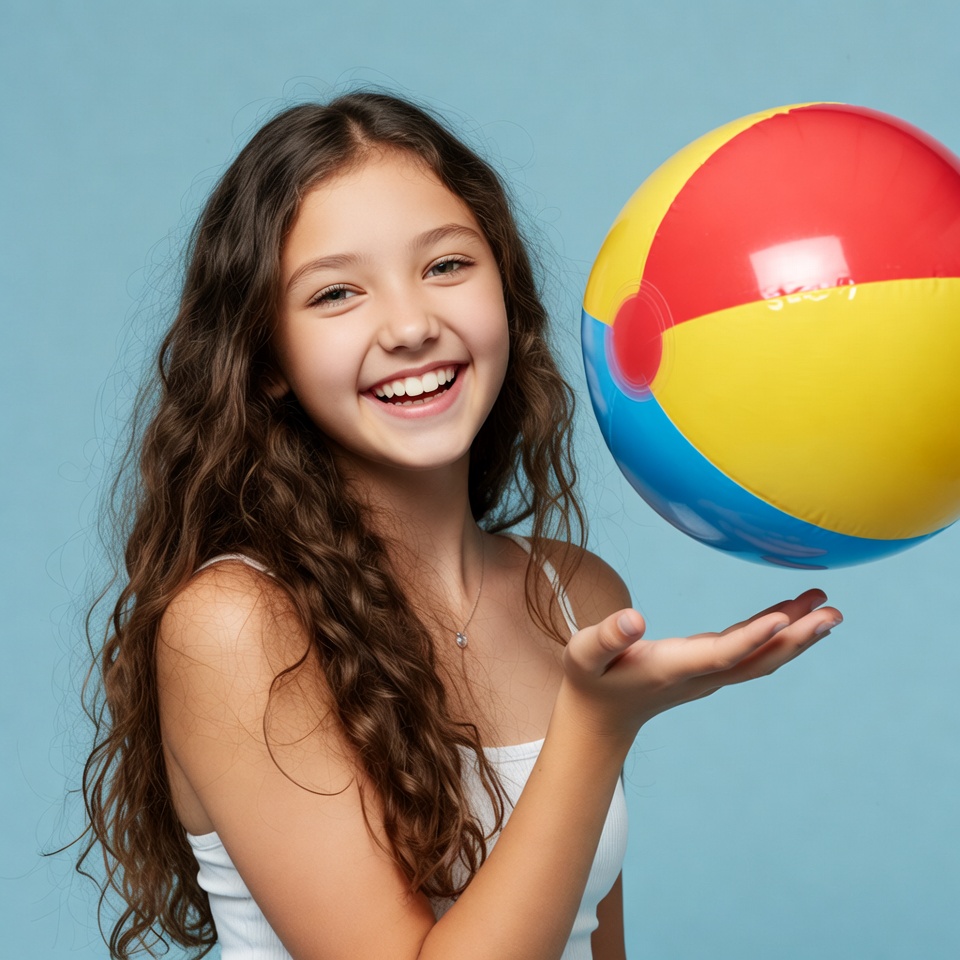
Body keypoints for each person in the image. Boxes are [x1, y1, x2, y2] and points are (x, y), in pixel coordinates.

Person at [78, 91, 842, 960]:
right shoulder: (235, 627)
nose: (411, 326)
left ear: (507, 295)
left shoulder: (576, 595)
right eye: (335, 293)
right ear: (267, 363)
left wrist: (602, 719)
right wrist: (594, 727)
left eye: (446, 266)